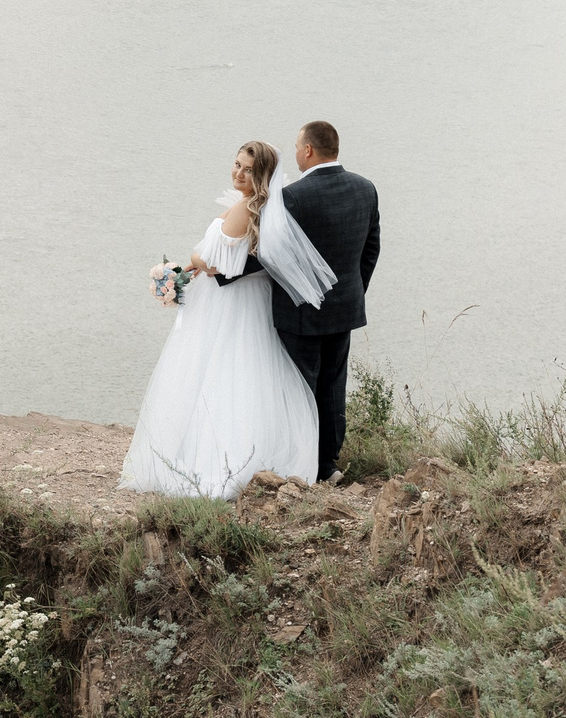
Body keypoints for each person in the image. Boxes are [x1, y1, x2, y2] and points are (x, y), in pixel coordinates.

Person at [117, 140, 323, 498]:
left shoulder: (247, 207)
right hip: (236, 301)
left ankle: (215, 463)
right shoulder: (257, 206)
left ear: (261, 176)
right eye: (237, 165)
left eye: (247, 169)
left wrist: (190, 260)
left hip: (230, 306)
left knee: (222, 373)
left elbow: (217, 264)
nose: (239, 173)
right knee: (231, 371)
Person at [222, 120, 381, 483]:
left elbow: (269, 254)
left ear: (308, 150)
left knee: (297, 390)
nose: (294, 154)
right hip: (344, 312)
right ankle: (328, 467)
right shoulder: (365, 189)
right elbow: (371, 249)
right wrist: (350, 294)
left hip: (299, 315)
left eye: (297, 148)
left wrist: (220, 273)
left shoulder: (292, 197)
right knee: (332, 386)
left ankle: (299, 467)